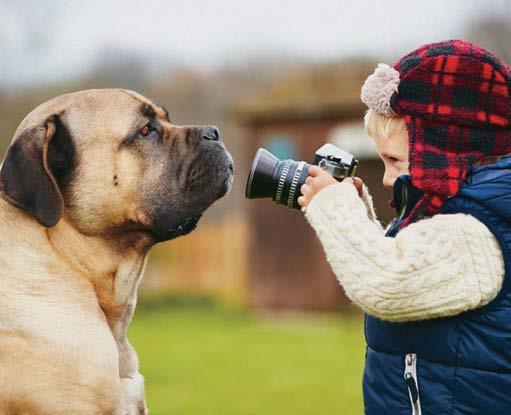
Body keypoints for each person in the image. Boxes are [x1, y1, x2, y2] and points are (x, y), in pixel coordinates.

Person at [298, 40, 511, 415]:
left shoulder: (474, 233)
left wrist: (334, 207)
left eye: (394, 160)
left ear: (442, 150)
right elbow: (410, 266)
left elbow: (387, 281)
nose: (386, 178)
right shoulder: (466, 216)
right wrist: (362, 221)